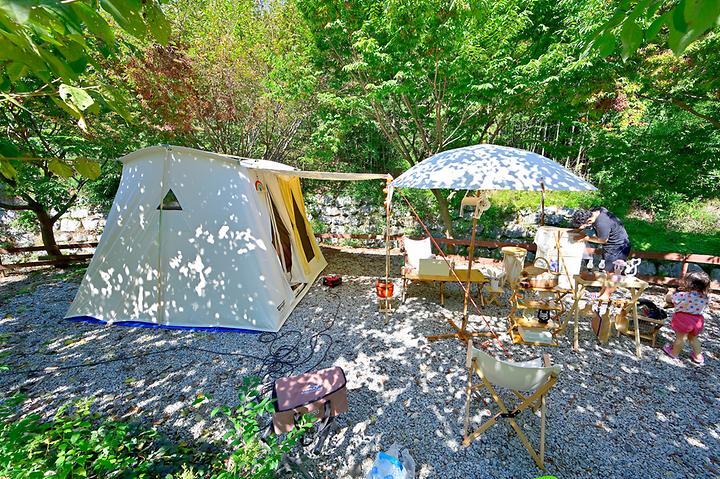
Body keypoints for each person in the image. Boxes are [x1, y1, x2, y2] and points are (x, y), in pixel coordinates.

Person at [663, 271, 711, 365]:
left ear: (689, 284)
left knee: (681, 338)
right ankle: (698, 357)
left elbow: (668, 299)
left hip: (683, 320)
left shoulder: (683, 295)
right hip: (697, 320)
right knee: (693, 338)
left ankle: (674, 353)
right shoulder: (706, 297)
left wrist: (670, 292)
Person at [571, 207, 631, 272]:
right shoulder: (595, 211)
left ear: (589, 221)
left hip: (618, 248)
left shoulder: (602, 223)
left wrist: (586, 238)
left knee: (611, 273)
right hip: (615, 244)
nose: (583, 227)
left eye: (584, 225)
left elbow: (603, 240)